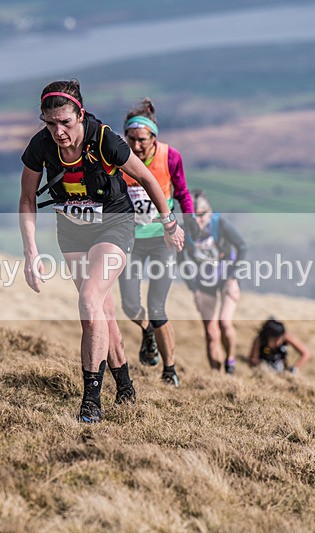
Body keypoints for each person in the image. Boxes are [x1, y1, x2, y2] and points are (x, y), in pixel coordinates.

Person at [19, 80, 184, 423]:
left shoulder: (104, 138)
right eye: (50, 124)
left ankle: (90, 401)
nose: (58, 132)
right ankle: (125, 385)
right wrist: (31, 252)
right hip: (72, 232)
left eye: (65, 122)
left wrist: (170, 224)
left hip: (115, 224)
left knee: (89, 301)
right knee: (102, 312)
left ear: (80, 115)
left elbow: (151, 181)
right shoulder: (41, 146)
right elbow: (27, 199)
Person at [117, 97, 195, 388]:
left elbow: (183, 192)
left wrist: (190, 226)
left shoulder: (170, 156)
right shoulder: (119, 158)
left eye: (141, 140)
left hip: (161, 241)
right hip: (130, 241)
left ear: (154, 137)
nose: (135, 146)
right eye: (131, 139)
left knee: (157, 306)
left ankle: (170, 370)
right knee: (129, 305)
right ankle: (147, 332)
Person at [180, 189, 246, 374]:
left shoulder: (220, 224)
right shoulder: (185, 230)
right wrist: (193, 288)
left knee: (224, 323)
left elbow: (242, 247)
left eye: (202, 215)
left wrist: (233, 278)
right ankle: (215, 377)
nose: (198, 220)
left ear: (209, 211)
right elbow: (180, 259)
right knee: (211, 333)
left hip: (227, 278)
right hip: (204, 282)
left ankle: (230, 361)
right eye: (193, 216)